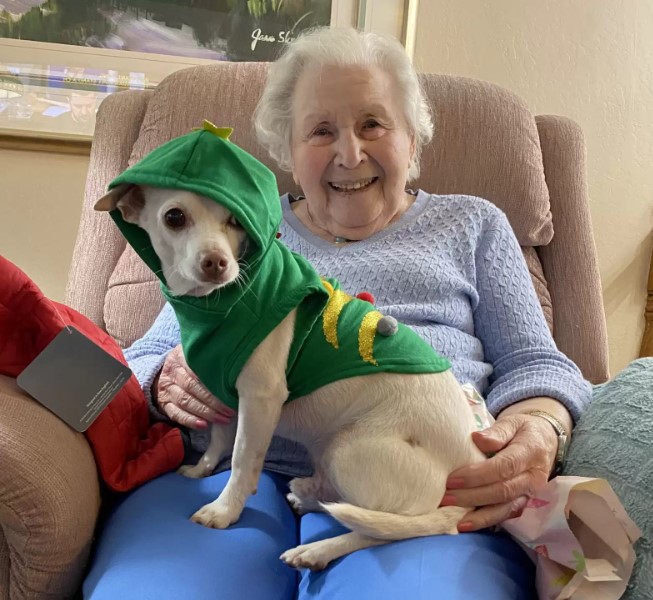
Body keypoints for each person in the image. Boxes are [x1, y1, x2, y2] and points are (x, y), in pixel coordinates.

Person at [83, 27, 591, 599]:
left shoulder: (472, 225)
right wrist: (165, 382)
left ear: (413, 141)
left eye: (373, 124)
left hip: (412, 470)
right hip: (230, 470)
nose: (350, 154)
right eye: (321, 130)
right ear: (289, 150)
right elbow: (145, 355)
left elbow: (536, 364)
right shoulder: (233, 225)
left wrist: (540, 428)